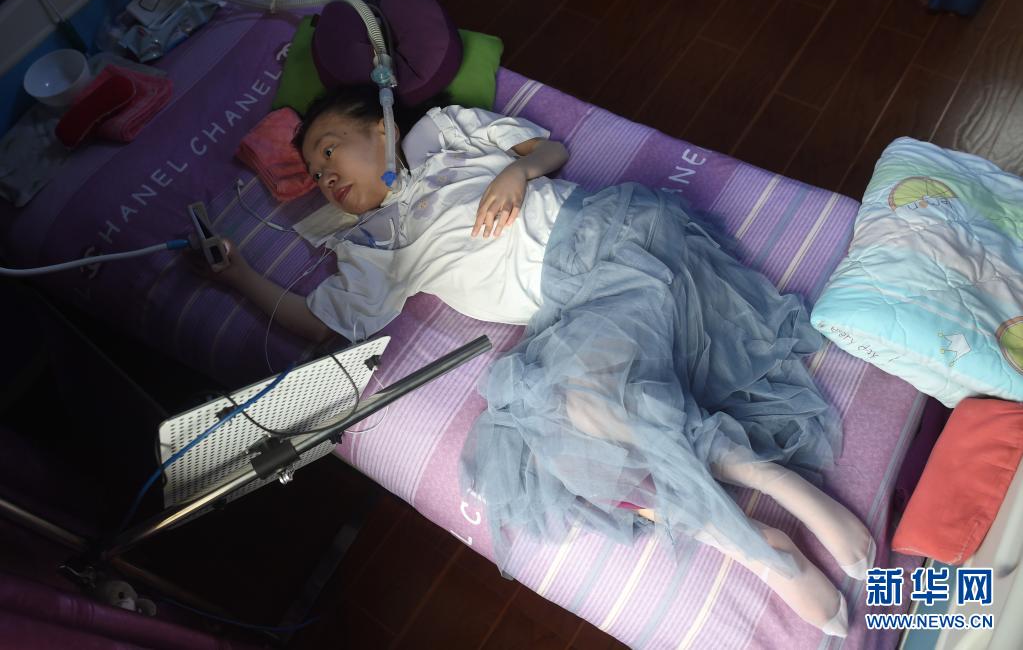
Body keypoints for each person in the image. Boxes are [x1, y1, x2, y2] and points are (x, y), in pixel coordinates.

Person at [200, 85, 874, 637]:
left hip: (611, 239)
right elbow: (322, 322)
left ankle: (781, 504)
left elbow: (549, 149)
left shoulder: (437, 135)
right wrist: (238, 278)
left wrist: (516, 172)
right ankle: (758, 541)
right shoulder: (370, 245)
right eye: (317, 177)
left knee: (594, 412)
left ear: (379, 124)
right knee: (570, 433)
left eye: (329, 150)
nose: (326, 178)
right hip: (573, 311)